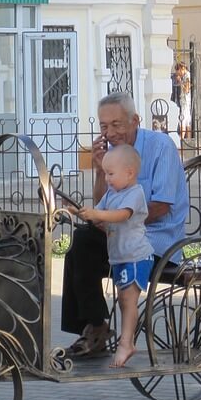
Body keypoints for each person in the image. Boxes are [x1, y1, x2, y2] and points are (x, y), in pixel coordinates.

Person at [61, 92, 188, 358]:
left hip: (157, 242)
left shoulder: (160, 146)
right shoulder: (115, 155)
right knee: (79, 246)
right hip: (124, 237)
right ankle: (95, 325)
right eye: (104, 126)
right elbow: (103, 204)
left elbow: (162, 206)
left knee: (85, 243)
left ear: (135, 121)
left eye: (117, 124)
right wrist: (99, 171)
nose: (111, 133)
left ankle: (95, 328)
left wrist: (114, 221)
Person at [71, 144, 154, 367]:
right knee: (123, 302)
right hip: (119, 257)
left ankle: (126, 343)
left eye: (110, 174)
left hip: (136, 257)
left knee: (128, 300)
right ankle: (125, 341)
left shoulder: (135, 194)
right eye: (105, 173)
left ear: (129, 172)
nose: (107, 179)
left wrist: (97, 213)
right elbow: (97, 218)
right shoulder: (112, 193)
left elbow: (120, 216)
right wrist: (74, 210)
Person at [174, 62, 191, 140]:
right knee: (187, 120)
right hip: (185, 101)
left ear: (181, 69)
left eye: (178, 71)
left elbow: (186, 90)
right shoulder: (186, 75)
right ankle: (188, 139)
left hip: (185, 102)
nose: (178, 73)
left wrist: (180, 81)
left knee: (183, 119)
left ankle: (181, 139)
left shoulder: (187, 76)